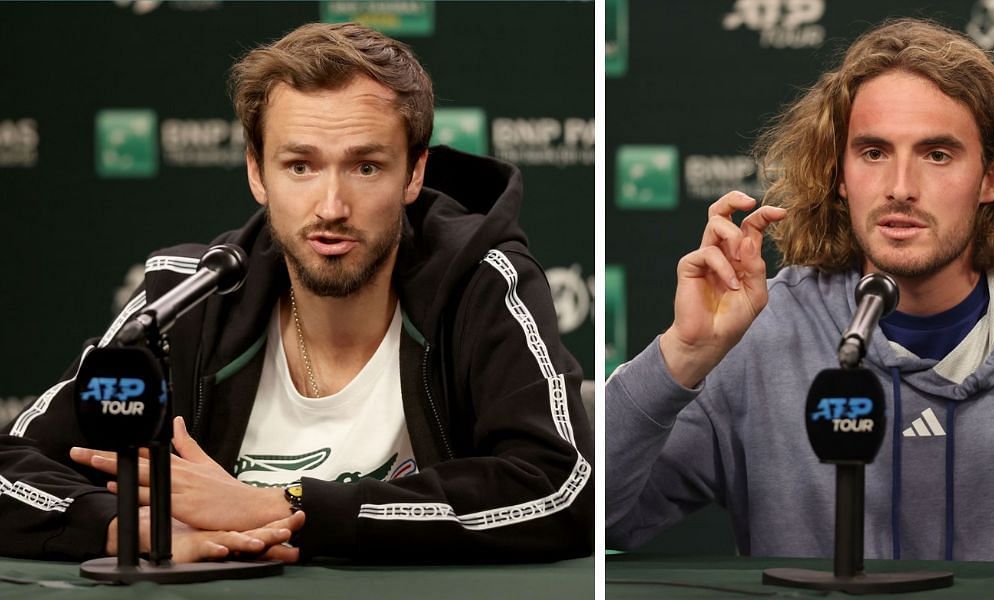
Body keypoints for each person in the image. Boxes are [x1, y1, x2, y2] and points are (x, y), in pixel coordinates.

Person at [605, 18, 994, 563]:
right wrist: (682, 356)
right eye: (872, 152)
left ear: (990, 176)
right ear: (839, 174)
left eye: (937, 155)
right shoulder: (756, 332)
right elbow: (592, 521)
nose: (900, 187)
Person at [0, 22, 592, 564]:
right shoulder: (186, 300)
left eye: (365, 167)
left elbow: (562, 490)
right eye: (300, 166)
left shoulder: (482, 284)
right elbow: (12, 464)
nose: (331, 208)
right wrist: (131, 528)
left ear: (414, 174)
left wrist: (281, 504)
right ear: (257, 171)